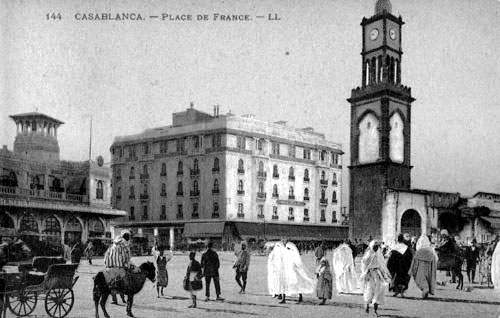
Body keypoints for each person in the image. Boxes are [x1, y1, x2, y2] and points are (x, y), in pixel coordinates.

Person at [360, 241, 391, 316]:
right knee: (369, 290)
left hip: (378, 275)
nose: (376, 248)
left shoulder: (379, 255)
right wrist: (365, 274)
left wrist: (386, 274)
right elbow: (364, 264)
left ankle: (375, 310)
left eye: (377, 246)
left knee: (378, 291)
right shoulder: (368, 254)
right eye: (375, 246)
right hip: (370, 275)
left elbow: (382, 265)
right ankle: (367, 305)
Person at [104, 230, 133, 305]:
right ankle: (124, 299)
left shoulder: (112, 246)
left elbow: (106, 256)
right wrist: (127, 265)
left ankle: (114, 300)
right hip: (121, 267)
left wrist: (107, 265)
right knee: (124, 283)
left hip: (111, 267)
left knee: (111, 284)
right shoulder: (125, 246)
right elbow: (127, 257)